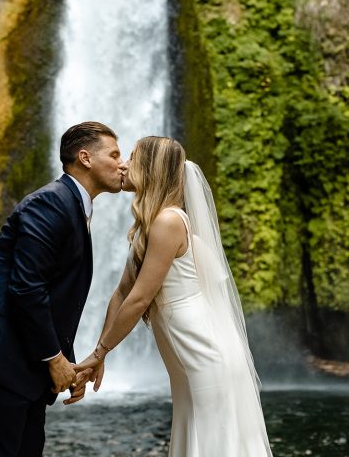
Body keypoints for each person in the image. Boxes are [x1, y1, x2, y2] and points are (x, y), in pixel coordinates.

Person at [77, 136, 273, 456]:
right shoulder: (149, 225)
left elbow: (140, 299)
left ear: (151, 168)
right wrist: (100, 354)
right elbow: (121, 294)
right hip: (189, 355)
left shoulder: (168, 221)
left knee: (212, 442)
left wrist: (100, 352)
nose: (123, 164)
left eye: (132, 158)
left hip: (203, 354)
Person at [0, 121, 127, 456]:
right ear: (85, 158)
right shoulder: (51, 203)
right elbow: (27, 287)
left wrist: (68, 364)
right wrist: (55, 358)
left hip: (20, 358)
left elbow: (56, 297)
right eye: (114, 154)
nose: (124, 163)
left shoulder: (71, 205)